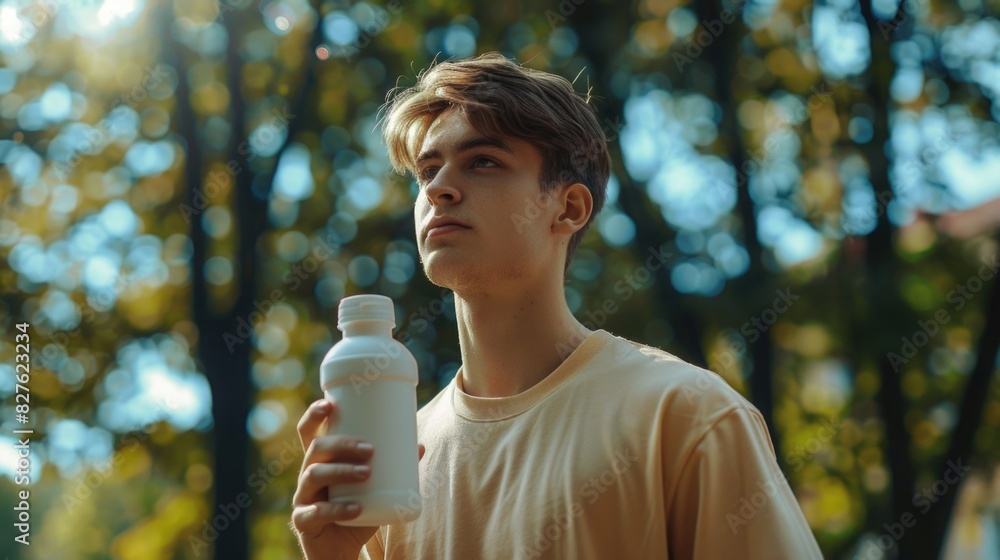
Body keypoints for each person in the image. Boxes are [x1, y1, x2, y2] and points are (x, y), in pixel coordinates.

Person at [290, 52, 824, 559]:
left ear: (568, 208)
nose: (440, 189)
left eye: (482, 162)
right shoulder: (393, 470)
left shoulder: (685, 415)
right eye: (428, 171)